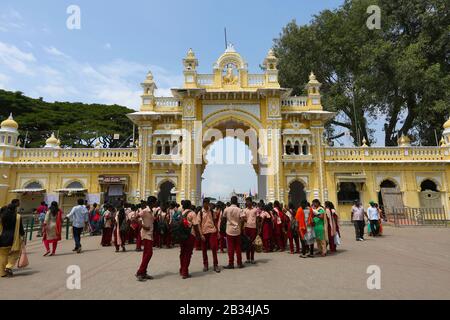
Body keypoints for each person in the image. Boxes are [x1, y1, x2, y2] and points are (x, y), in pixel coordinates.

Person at [0, 200, 24, 278]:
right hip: (13, 238)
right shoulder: (18, 216)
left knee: (3, 255)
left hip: (2, 238)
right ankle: (9, 267)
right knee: (15, 254)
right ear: (15, 209)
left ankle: (2, 273)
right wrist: (23, 235)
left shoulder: (2, 216)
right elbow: (21, 229)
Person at [179, 200, 203, 279]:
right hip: (190, 235)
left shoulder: (181, 213)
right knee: (188, 253)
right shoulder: (192, 213)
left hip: (182, 235)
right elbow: (196, 226)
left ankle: (182, 269)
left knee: (182, 252)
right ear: (189, 205)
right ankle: (185, 272)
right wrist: (198, 236)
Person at [223, 196, 245, 269]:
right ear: (237, 201)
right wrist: (239, 225)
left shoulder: (226, 209)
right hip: (237, 230)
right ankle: (239, 263)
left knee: (230, 248)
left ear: (231, 201)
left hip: (229, 230)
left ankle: (231, 263)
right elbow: (242, 219)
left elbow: (223, 218)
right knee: (238, 247)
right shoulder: (240, 210)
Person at [136, 199, 156, 281]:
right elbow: (134, 218)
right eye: (155, 202)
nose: (156, 203)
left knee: (146, 254)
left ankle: (143, 272)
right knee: (149, 253)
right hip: (145, 234)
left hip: (150, 234)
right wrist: (143, 226)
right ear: (151, 202)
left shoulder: (151, 211)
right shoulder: (144, 211)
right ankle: (140, 272)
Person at [199, 198, 220, 273]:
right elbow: (198, 224)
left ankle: (215, 265)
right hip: (204, 232)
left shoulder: (212, 211)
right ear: (203, 203)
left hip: (212, 231)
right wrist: (201, 234)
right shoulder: (200, 213)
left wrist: (217, 232)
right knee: (204, 250)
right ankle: (205, 265)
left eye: (208, 203)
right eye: (206, 203)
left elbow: (215, 222)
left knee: (214, 248)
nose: (207, 205)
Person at [243, 197, 259, 264]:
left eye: (248, 201)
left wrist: (258, 228)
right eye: (246, 202)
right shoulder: (244, 210)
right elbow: (243, 219)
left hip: (253, 228)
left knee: (252, 244)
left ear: (251, 202)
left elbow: (258, 219)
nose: (247, 203)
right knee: (247, 243)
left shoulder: (255, 210)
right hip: (247, 227)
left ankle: (252, 258)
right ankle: (248, 258)